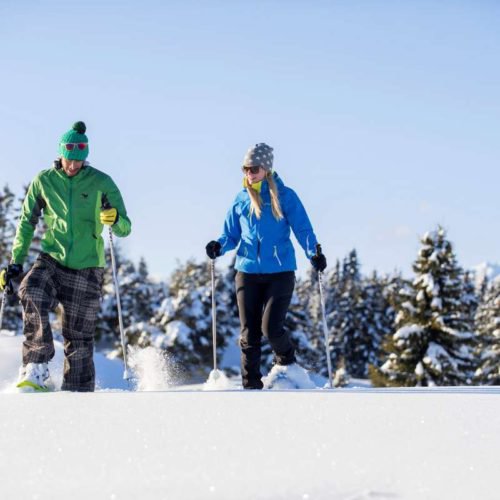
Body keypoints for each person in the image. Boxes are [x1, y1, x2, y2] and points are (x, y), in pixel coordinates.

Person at [0, 121, 132, 392]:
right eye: (69, 159)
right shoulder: (44, 180)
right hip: (52, 258)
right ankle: (36, 366)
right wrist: (16, 262)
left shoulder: (102, 182)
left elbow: (125, 227)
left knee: (79, 338)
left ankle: (77, 395)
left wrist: (115, 219)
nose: (73, 166)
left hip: (88, 266)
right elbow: (27, 222)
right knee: (31, 290)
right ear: (61, 154)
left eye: (79, 161)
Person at [205, 143, 327, 389]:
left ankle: (287, 363)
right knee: (249, 334)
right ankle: (251, 387)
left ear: (267, 169)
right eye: (245, 168)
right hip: (247, 273)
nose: (249, 172)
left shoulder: (285, 196)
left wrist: (313, 252)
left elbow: (302, 229)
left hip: (280, 272)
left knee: (270, 328)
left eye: (254, 168)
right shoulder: (240, 199)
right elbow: (230, 235)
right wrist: (219, 245)